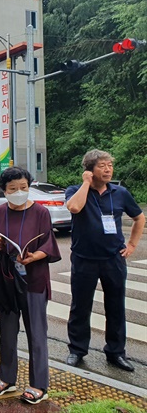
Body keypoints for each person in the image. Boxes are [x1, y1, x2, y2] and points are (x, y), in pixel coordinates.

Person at [0, 167, 61, 405]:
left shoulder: (40, 213)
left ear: (30, 186)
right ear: (4, 190)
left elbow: (48, 243)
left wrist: (34, 256)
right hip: (6, 279)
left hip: (34, 278)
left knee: (36, 332)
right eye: (13, 189)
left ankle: (39, 384)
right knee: (7, 330)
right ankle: (6, 378)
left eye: (23, 188)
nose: (19, 192)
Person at [65, 150, 144, 372]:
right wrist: (85, 184)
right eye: (102, 166)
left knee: (116, 306)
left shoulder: (120, 193)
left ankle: (116, 353)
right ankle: (77, 350)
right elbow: (74, 208)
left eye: (110, 165)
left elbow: (139, 217)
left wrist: (131, 246)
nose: (108, 169)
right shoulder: (75, 191)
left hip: (113, 259)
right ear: (90, 170)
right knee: (80, 306)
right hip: (84, 259)